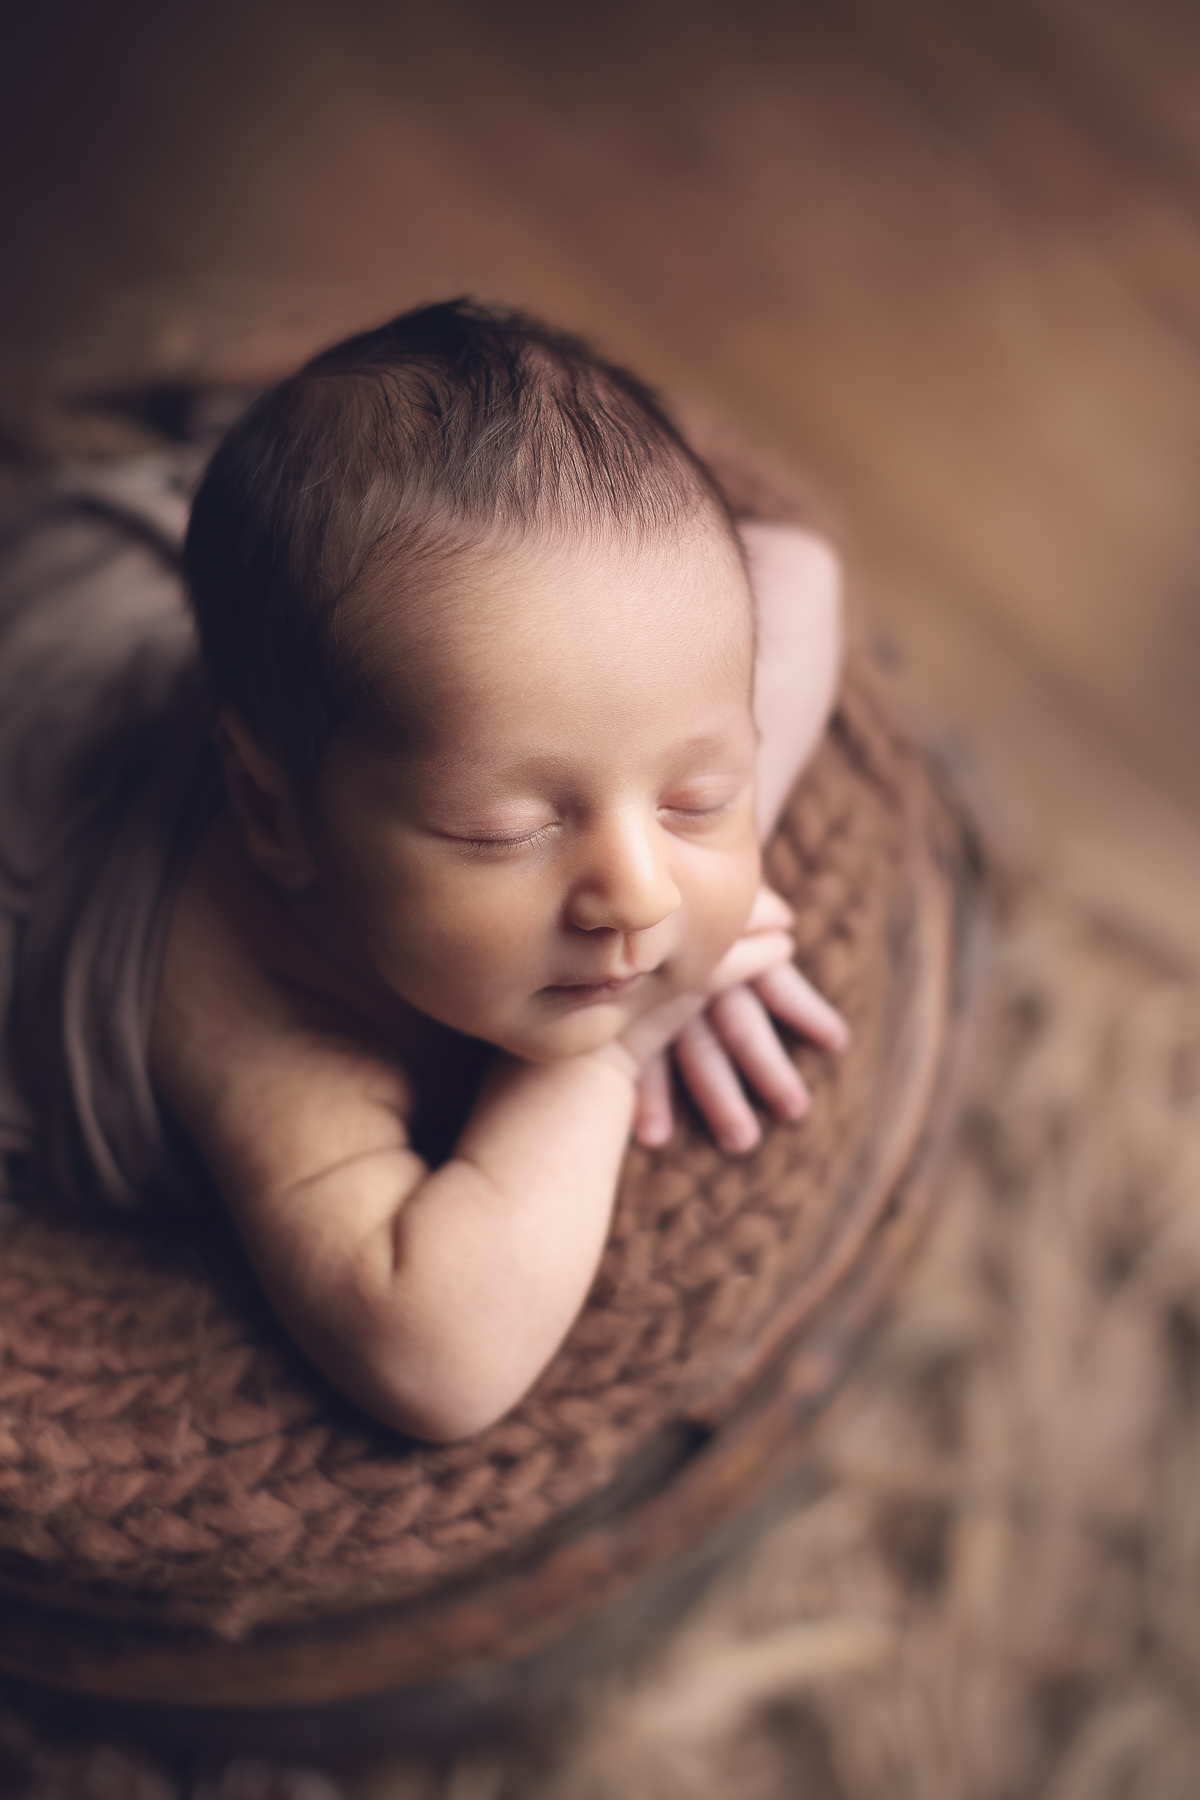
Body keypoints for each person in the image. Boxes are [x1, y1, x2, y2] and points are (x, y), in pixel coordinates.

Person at [9, 301, 847, 1443]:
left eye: (694, 797)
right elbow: (434, 1361)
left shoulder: (472, 750)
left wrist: (724, 855)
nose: (641, 894)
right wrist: (609, 1057)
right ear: (275, 814)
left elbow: (798, 569)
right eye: (508, 833)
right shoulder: (254, 1001)